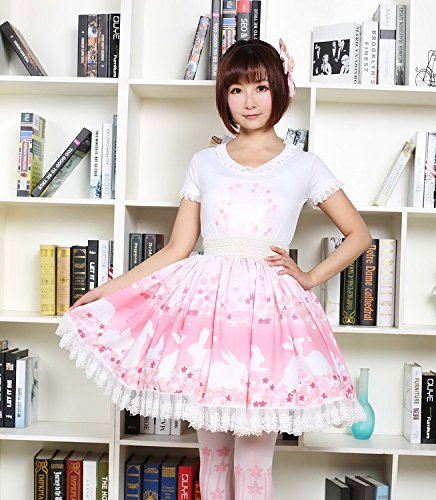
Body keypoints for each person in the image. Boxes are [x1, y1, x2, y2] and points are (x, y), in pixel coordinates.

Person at [56, 38, 372, 499]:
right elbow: (177, 248)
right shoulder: (205, 162)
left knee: (255, 460)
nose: (249, 101)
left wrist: (309, 278)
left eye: (261, 87)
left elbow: (358, 234)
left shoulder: (304, 165)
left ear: (280, 89)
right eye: (236, 89)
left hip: (268, 316)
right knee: (213, 456)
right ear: (224, 96)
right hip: (208, 315)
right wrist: (110, 290)